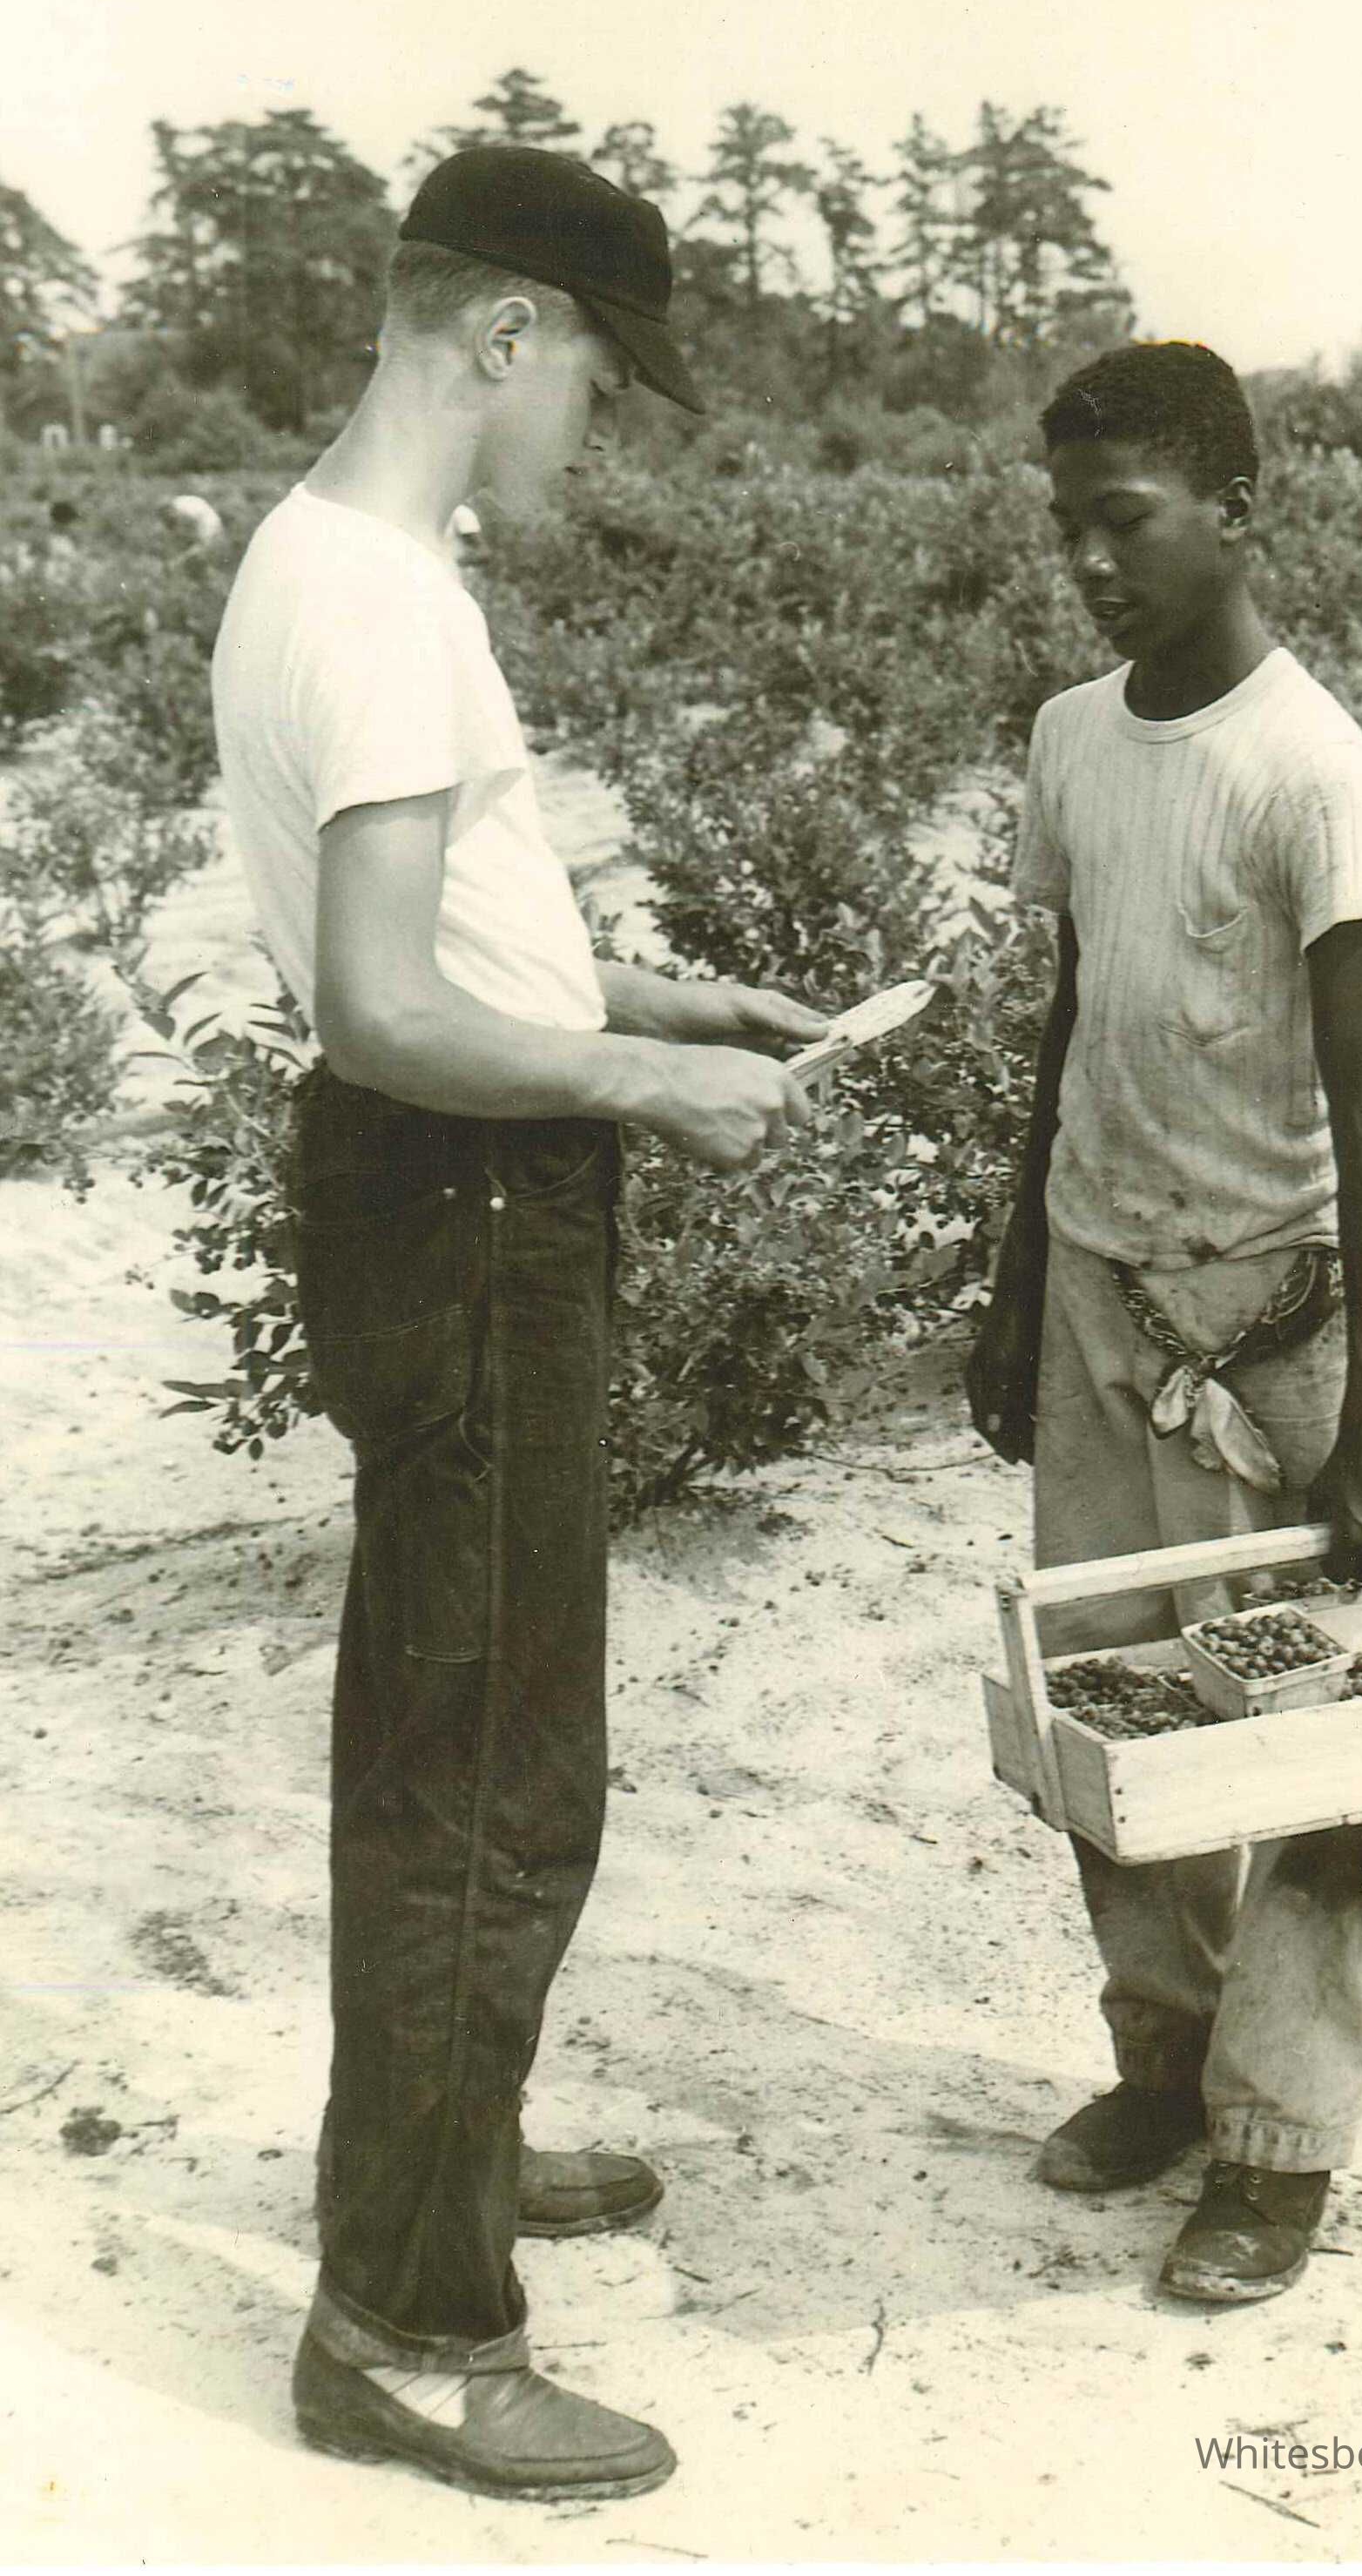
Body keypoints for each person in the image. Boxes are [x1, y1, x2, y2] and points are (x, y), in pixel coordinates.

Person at [212, 145, 826, 2501]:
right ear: (501, 336)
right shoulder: (384, 607)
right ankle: (409, 2324)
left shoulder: (320, 558)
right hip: (467, 1200)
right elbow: (380, 1004)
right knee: (491, 1774)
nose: (600, 418)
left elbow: (435, 946)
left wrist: (653, 993)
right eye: (593, 372)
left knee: (445, 1725)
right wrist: (639, 1084)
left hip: (434, 1188)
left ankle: (444, 2159)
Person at [966, 341, 1362, 2309]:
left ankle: (1280, 2141)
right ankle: (1163, 2056)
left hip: (1276, 1317)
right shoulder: (1074, 739)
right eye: (1067, 526)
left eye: (1127, 521)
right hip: (1098, 1285)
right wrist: (1016, 1282)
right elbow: (1077, 1017)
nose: (1091, 561)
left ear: (1236, 513)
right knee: (1115, 1701)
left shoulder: (1311, 765)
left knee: (1322, 1731)